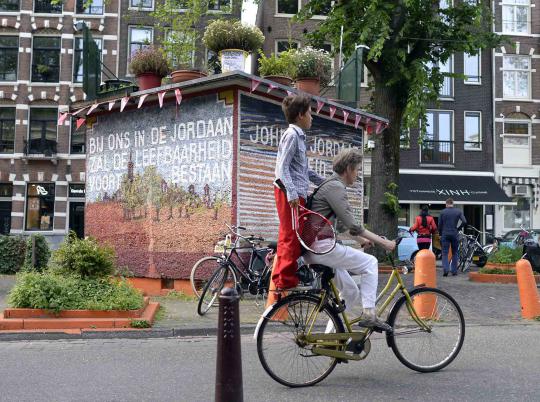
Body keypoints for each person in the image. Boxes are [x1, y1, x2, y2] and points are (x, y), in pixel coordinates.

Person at [303, 148, 396, 332]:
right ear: (348, 169)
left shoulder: (330, 186)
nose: (358, 174)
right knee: (371, 263)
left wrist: (362, 240)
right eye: (357, 170)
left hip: (314, 249)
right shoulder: (335, 187)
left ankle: (330, 337)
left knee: (351, 292)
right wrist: (384, 243)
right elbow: (353, 225)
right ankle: (369, 314)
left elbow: (340, 227)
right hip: (323, 248)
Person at [273, 94, 323, 290]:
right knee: (291, 235)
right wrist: (292, 194)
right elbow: (281, 168)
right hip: (290, 194)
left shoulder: (299, 137)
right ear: (301, 115)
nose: (312, 117)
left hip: (296, 193)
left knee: (295, 234)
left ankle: (282, 278)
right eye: (310, 112)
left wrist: (325, 181)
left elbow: (303, 171)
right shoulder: (292, 135)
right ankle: (284, 283)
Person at [438, 198, 467, 277]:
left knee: (444, 253)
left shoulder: (442, 212)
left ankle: (446, 270)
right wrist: (458, 228)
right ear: (453, 203)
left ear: (446, 204)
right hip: (454, 233)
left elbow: (440, 225)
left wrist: (440, 234)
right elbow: (464, 221)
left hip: (445, 234)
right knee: (455, 252)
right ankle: (454, 271)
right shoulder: (458, 211)